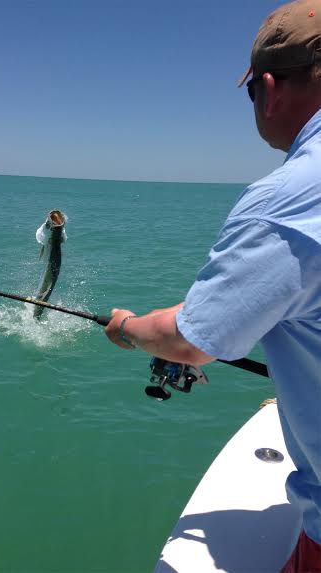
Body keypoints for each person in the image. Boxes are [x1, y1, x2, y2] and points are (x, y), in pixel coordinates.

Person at [105, 1, 321, 571]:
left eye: (250, 93)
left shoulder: (286, 202)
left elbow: (187, 344)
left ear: (270, 89)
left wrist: (127, 327)